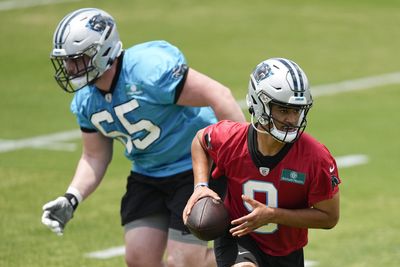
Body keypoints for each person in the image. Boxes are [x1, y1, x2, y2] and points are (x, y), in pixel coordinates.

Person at [41, 7, 246, 267]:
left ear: (103, 51)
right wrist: (71, 197)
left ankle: (249, 262)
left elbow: (220, 96)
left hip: (195, 166)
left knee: (184, 261)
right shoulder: (86, 101)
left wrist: (244, 157)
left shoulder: (148, 70)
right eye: (67, 60)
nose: (70, 68)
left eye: (77, 59)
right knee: (139, 259)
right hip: (148, 175)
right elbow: (94, 155)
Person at [183, 58, 341, 267]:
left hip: (286, 250)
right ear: (259, 104)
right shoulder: (231, 138)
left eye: (297, 110)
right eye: (284, 110)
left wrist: (273, 215)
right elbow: (201, 141)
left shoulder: (316, 157)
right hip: (236, 236)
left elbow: (329, 217)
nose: (292, 120)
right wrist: (201, 187)